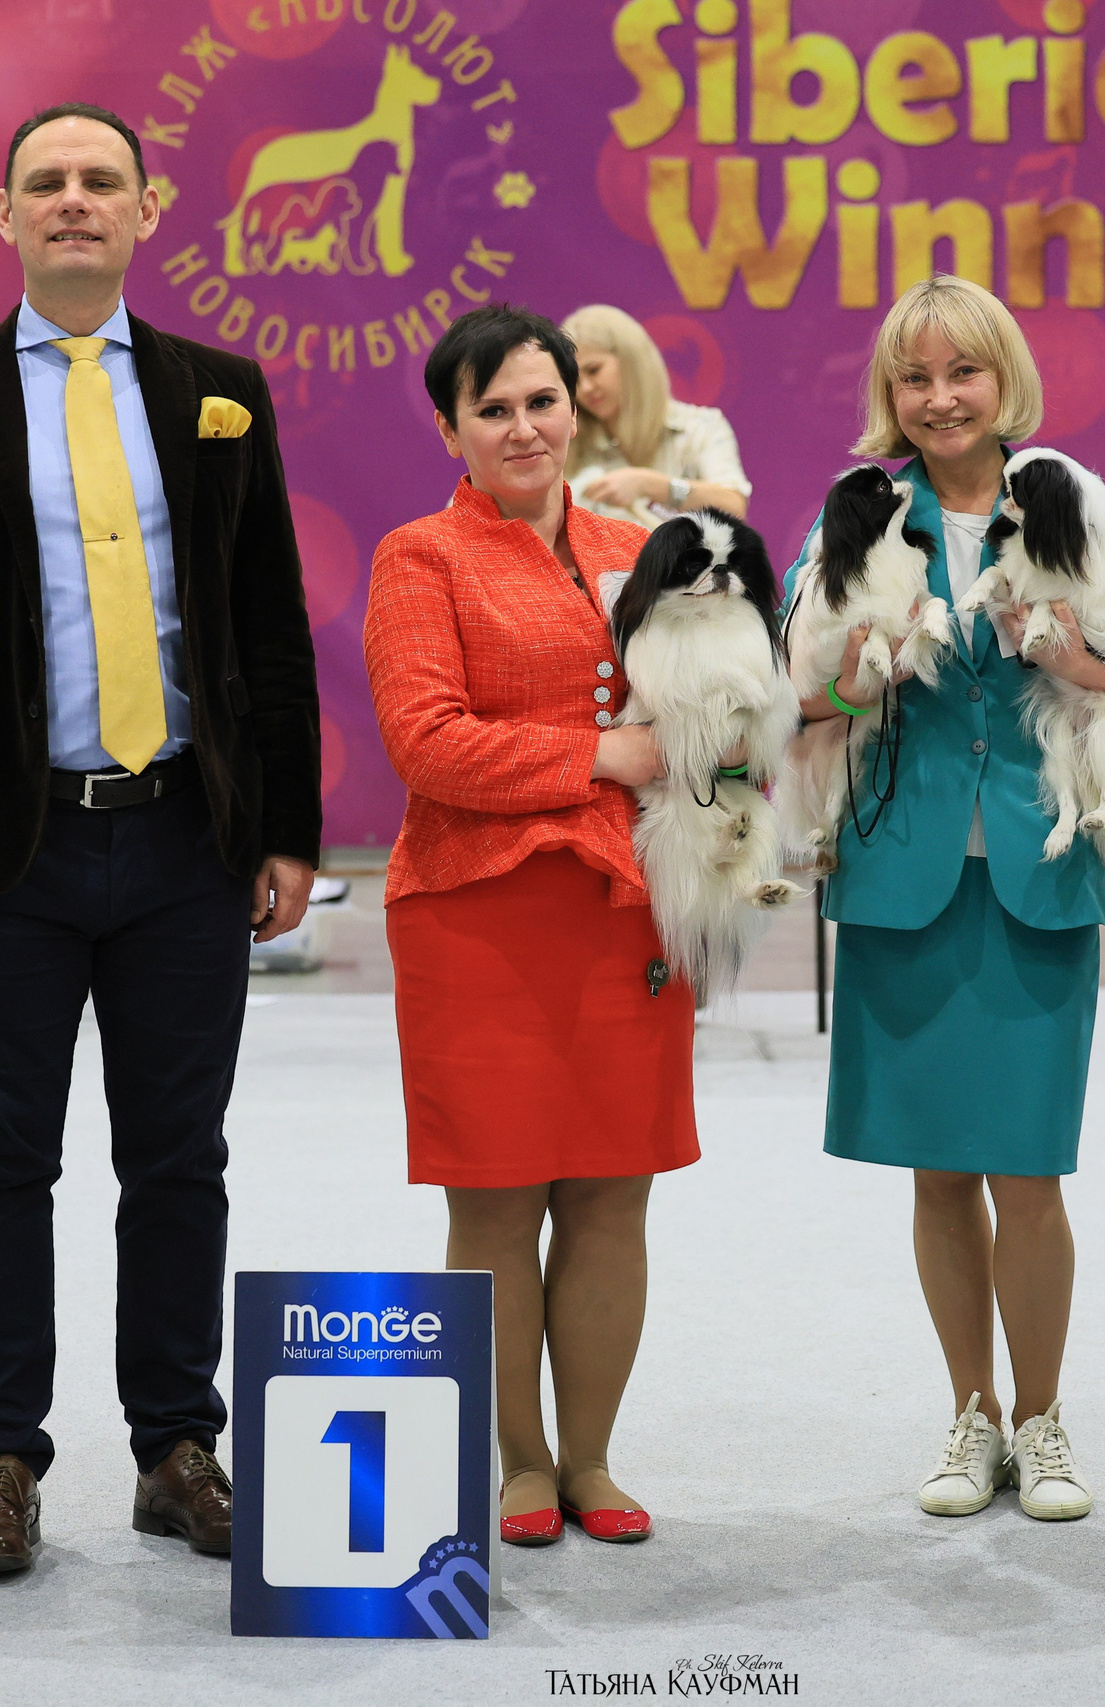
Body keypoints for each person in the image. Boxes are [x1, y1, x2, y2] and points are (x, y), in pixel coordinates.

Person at [0, 103, 322, 1577]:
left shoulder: (221, 391)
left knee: (181, 1159)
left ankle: (177, 1444)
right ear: (4, 215)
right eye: (44, 181)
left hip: (182, 838)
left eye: (101, 180)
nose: (73, 201)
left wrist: (285, 827)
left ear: (148, 207)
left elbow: (270, 628)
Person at [784, 276, 1105, 1521]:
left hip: (1038, 872)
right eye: (913, 379)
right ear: (889, 396)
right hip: (899, 877)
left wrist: (1078, 660)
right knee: (934, 1174)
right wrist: (862, 678)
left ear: (1001, 380)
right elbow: (786, 679)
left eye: (960, 373)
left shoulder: (1068, 501)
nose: (937, 399)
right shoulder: (861, 510)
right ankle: (968, 1415)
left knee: (1028, 1171)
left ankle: (1043, 1418)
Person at [364, 303, 696, 1549]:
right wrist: (606, 753)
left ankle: (594, 1459)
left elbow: (707, 712)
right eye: (491, 408)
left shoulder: (644, 546)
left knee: (615, 1197)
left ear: (579, 405)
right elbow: (429, 745)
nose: (521, 427)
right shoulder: (419, 558)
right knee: (495, 1203)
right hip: (477, 919)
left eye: (541, 401)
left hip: (628, 915)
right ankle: (519, 1460)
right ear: (451, 427)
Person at [559, 305, 750, 529]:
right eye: (575, 382)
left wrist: (650, 485)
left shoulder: (699, 427)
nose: (586, 388)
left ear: (632, 362)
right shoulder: (569, 443)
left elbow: (734, 508)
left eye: (594, 370)